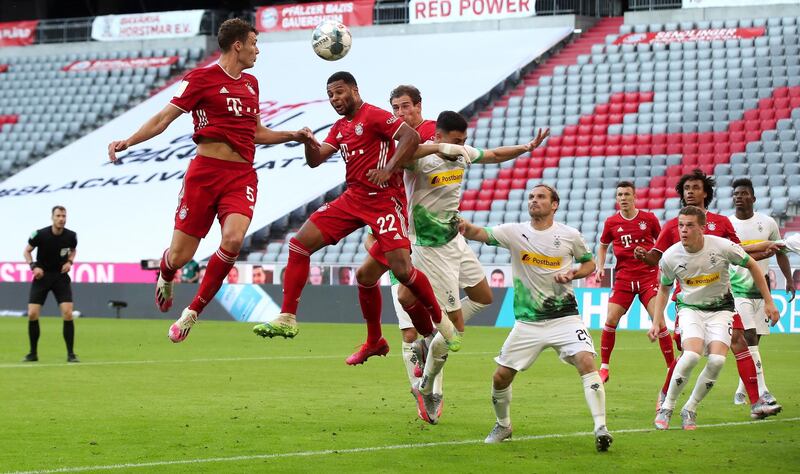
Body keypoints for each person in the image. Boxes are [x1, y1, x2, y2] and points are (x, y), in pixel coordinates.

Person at [107, 18, 317, 343]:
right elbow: (163, 118)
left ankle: (191, 313)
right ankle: (166, 272)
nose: (257, 50)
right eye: (254, 43)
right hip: (204, 175)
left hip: (241, 176)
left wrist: (293, 135)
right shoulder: (200, 79)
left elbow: (256, 132)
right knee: (180, 257)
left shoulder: (251, 85)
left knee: (233, 240)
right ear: (238, 45)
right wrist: (129, 141)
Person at [253, 71, 456, 368]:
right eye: (330, 95)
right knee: (299, 244)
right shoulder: (340, 127)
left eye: (339, 92)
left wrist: (387, 169)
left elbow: (410, 137)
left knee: (402, 271)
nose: (335, 99)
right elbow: (316, 160)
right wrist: (308, 142)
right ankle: (288, 317)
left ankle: (441, 324)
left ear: (354, 90)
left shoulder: (373, 115)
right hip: (354, 198)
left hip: (386, 200)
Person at [363, 111, 549, 423]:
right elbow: (402, 157)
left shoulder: (461, 154)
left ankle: (425, 342)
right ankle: (429, 386)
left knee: (483, 296)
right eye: (456, 141)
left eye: (463, 141)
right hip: (429, 248)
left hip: (454, 241)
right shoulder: (420, 159)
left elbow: (491, 155)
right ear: (438, 136)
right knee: (455, 329)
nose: (461, 146)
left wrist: (526, 148)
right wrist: (434, 148)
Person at [461, 184, 612, 452]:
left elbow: (589, 263)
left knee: (586, 360)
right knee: (500, 378)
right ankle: (504, 425)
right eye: (531, 197)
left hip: (565, 317)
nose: (534, 200)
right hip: (528, 322)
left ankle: (601, 428)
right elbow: (477, 233)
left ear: (554, 204)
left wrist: (573, 274)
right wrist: (461, 223)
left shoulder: (569, 235)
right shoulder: (514, 232)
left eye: (540, 197)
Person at [633, 169, 781, 415]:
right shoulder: (674, 226)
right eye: (686, 188)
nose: (690, 192)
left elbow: (738, 253)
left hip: (721, 300)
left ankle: (757, 402)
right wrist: (644, 256)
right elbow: (657, 261)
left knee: (739, 341)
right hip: (689, 301)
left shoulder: (721, 223)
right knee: (689, 353)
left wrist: (761, 251)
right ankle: (665, 396)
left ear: (706, 192)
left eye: (695, 187)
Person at [595, 181, 673, 384]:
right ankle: (604, 367)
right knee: (611, 319)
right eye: (619, 194)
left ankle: (671, 368)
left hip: (648, 277)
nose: (623, 198)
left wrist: (655, 259)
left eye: (626, 194)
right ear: (617, 198)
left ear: (634, 197)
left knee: (660, 322)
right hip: (624, 278)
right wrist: (600, 267)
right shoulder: (611, 223)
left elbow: (662, 244)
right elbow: (603, 247)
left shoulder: (649, 219)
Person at [728, 178, 794, 406]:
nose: (739, 196)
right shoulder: (729, 225)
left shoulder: (767, 223)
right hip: (737, 290)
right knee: (747, 337)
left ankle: (741, 388)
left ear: (753, 198)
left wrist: (788, 279)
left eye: (744, 193)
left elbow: (780, 252)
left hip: (761, 290)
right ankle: (762, 390)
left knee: (754, 340)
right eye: (736, 193)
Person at [22, 206, 79, 363]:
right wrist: (33, 266)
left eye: (64, 216)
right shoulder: (40, 234)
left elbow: (73, 250)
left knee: (68, 313)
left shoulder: (71, 235)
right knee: (32, 314)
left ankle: (71, 354)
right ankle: (32, 353)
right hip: (42, 277)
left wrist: (70, 261)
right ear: (52, 217)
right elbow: (27, 251)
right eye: (58, 215)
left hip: (60, 277)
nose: (61, 218)